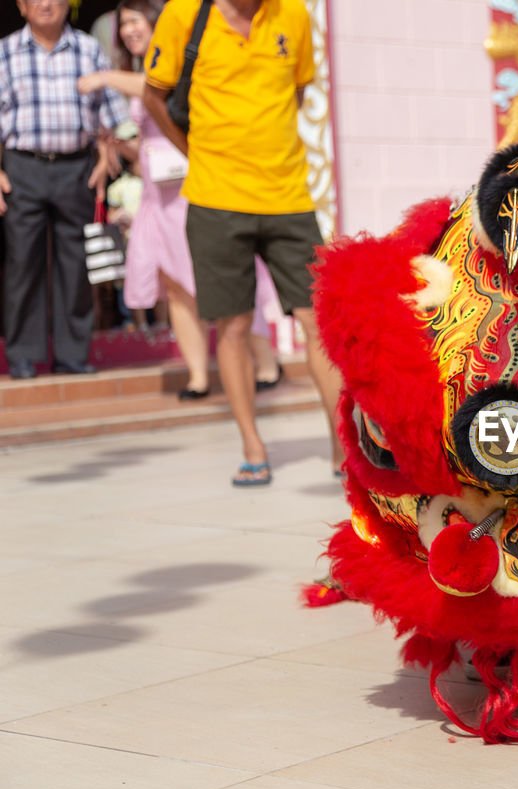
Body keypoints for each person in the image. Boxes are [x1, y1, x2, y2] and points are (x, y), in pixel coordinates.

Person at [143, 0, 343, 486]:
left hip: (288, 196)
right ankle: (252, 443)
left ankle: (343, 444)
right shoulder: (185, 14)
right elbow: (155, 95)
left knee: (320, 320)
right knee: (232, 327)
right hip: (216, 198)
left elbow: (295, 92)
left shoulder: (292, 14)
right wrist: (196, 151)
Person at [79, 0, 283, 401]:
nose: (129, 31)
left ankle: (265, 363)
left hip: (196, 189)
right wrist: (121, 145)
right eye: (123, 25)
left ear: (159, 23)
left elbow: (158, 88)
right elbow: (147, 147)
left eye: (136, 21)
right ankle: (197, 376)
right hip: (159, 195)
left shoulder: (179, 65)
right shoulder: (136, 73)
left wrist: (104, 76)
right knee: (175, 288)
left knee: (224, 281)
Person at [0, 0, 127, 380]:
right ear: (21, 7)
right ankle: (23, 354)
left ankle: (73, 353)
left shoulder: (89, 48)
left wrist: (108, 155)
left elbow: (113, 114)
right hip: (22, 166)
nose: (45, 4)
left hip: (77, 168)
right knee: (23, 263)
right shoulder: (4, 51)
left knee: (76, 263)